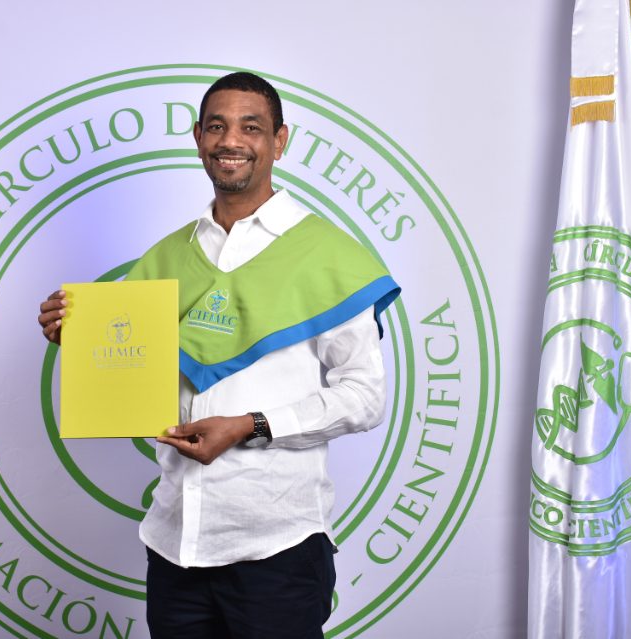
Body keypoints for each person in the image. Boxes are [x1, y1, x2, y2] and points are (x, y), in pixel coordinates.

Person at [38, 72, 399, 639]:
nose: (231, 140)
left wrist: (250, 426)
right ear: (198, 138)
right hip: (174, 542)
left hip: (277, 548)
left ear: (279, 141)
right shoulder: (167, 255)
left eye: (251, 127)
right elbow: (135, 367)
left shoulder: (329, 256)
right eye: (216, 127)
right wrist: (79, 338)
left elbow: (364, 397)